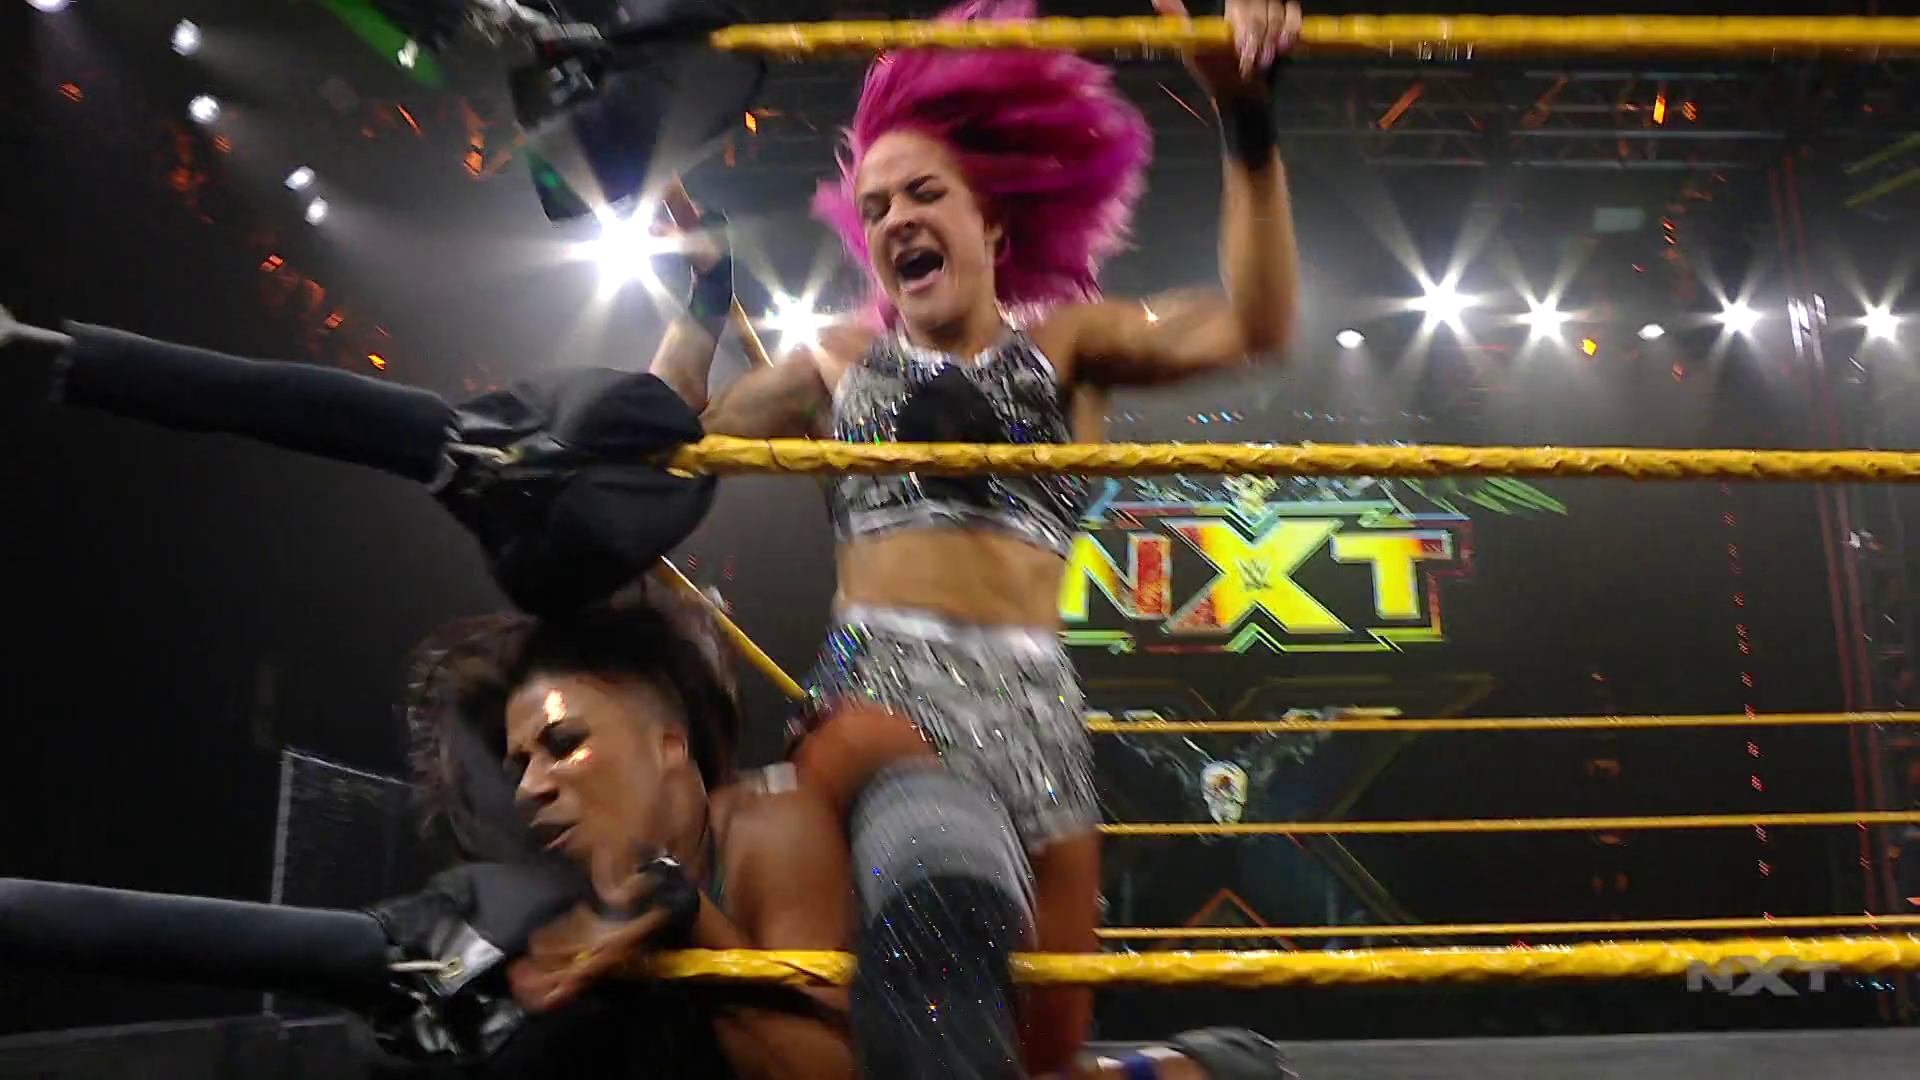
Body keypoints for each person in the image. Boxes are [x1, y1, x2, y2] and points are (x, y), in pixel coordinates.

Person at [645, 0, 1301, 1074]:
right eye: (875, 206)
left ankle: (1198, 1065)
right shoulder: (837, 364)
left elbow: (1255, 325)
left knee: (1036, 1049)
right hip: (878, 706)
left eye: (923, 193)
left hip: (1040, 724)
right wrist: (704, 295)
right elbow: (667, 446)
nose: (896, 218)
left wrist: (1246, 122)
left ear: (992, 223)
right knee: (921, 980)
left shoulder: (1069, 345)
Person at [397, 579, 856, 1079]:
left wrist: (687, 917)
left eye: (563, 744)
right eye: (519, 767)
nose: (528, 789)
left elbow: (828, 1072)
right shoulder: (558, 892)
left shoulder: (769, 822)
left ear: (670, 747)